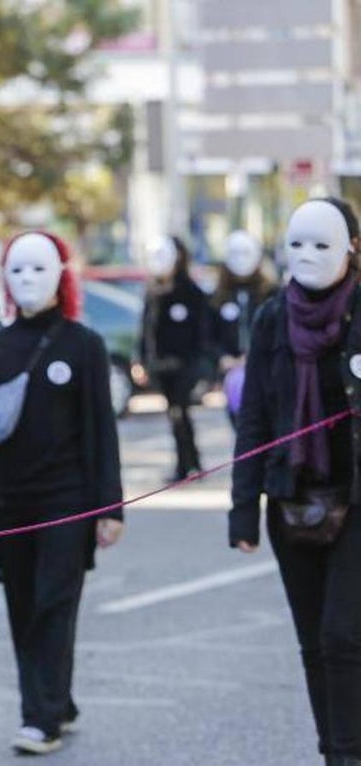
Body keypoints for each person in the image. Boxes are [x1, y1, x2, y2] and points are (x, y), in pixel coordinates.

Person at [0, 231, 124, 756]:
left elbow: (101, 430)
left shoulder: (84, 345)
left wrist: (110, 507)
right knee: (22, 606)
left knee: (54, 604)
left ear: (61, 274)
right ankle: (59, 698)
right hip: (10, 503)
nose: (27, 280)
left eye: (38, 269)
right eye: (17, 270)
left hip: (68, 501)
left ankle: (41, 717)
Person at [231, 198, 361, 766]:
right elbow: (254, 415)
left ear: (352, 249)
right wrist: (242, 508)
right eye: (297, 244)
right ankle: (333, 750)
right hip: (292, 498)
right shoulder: (270, 318)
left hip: (356, 499)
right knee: (314, 643)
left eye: (322, 244)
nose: (307, 256)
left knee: (342, 636)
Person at [138, 235, 213, 481]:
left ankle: (190, 464)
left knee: (181, 413)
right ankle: (186, 464)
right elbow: (147, 330)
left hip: (185, 366)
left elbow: (202, 332)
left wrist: (200, 365)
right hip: (161, 366)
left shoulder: (191, 292)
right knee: (174, 415)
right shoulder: (153, 292)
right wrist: (142, 360)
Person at [212, 230, 278, 427]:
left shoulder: (272, 294)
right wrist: (222, 357)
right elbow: (209, 335)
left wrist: (255, 356)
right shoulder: (219, 296)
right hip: (233, 376)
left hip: (265, 372)